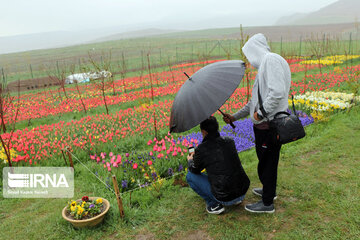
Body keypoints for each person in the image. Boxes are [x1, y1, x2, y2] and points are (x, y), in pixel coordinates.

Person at [223, 33, 291, 213]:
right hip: (266, 124)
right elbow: (253, 102)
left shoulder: (270, 61)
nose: (248, 58)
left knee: (267, 163)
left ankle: (267, 203)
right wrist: (235, 117)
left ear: (254, 49)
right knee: (268, 161)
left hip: (268, 125)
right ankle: (269, 191)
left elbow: (276, 93)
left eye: (248, 53)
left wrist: (260, 115)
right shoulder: (266, 66)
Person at [186, 116, 250, 214]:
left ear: (204, 132)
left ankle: (213, 204)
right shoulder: (230, 141)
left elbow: (195, 170)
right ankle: (237, 199)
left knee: (190, 176)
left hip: (225, 197)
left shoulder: (202, 149)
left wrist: (191, 160)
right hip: (242, 190)